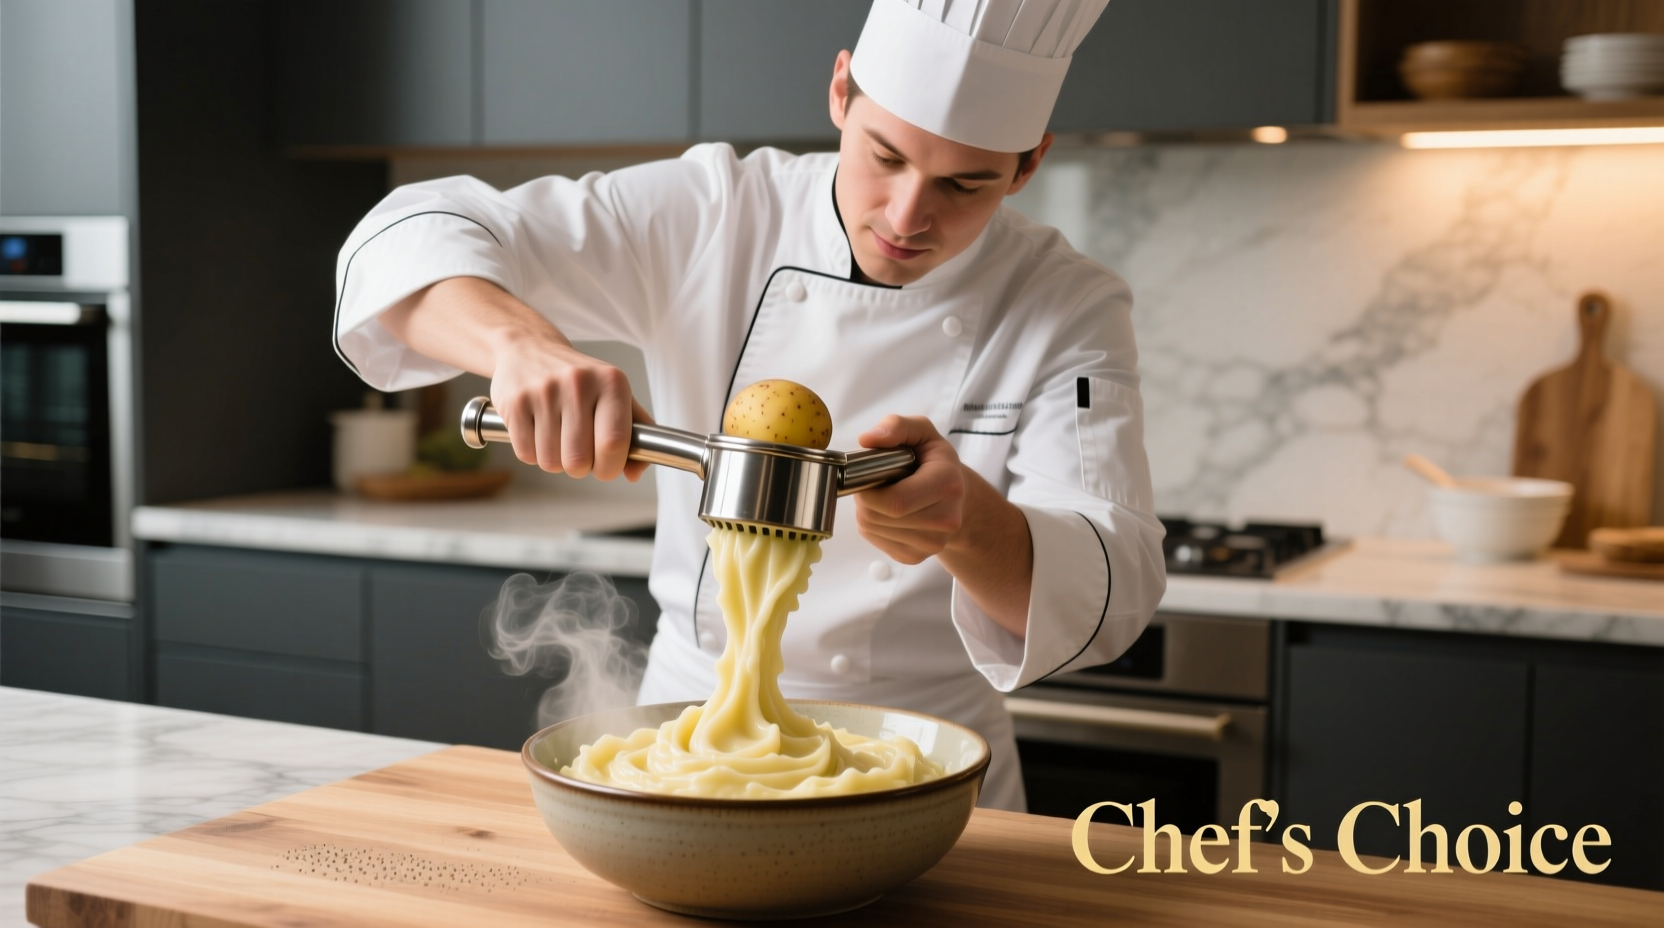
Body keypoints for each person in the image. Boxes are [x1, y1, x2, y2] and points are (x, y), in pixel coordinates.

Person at [332, 0, 1164, 812]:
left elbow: (1114, 591)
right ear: (839, 91)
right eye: (884, 156)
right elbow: (401, 237)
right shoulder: (716, 212)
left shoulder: (1067, 305)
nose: (908, 216)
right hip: (687, 744)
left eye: (964, 184)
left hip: (928, 767)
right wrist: (520, 346)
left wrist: (970, 523)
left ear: (1029, 164)